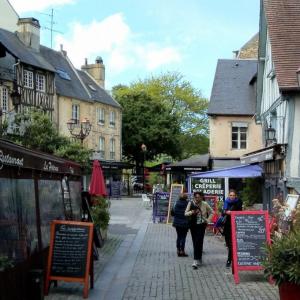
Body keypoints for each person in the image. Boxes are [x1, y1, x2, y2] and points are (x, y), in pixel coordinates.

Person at [185, 191, 213, 269]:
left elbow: (212, 212)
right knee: (195, 242)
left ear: (201, 197)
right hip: (193, 225)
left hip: (201, 225)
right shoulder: (191, 203)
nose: (197, 199)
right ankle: (197, 259)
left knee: (199, 241)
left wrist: (208, 220)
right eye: (195, 197)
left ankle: (196, 259)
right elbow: (185, 213)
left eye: (198, 197)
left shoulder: (205, 204)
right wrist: (192, 212)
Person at [222, 189, 243, 268]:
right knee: (228, 243)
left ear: (236, 196)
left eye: (233, 195)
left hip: (235, 224)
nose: (232, 197)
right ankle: (231, 257)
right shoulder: (226, 202)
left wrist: (232, 212)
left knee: (232, 244)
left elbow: (240, 211)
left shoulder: (238, 202)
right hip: (227, 225)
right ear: (228, 196)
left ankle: (229, 260)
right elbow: (223, 212)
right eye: (230, 195)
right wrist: (225, 212)